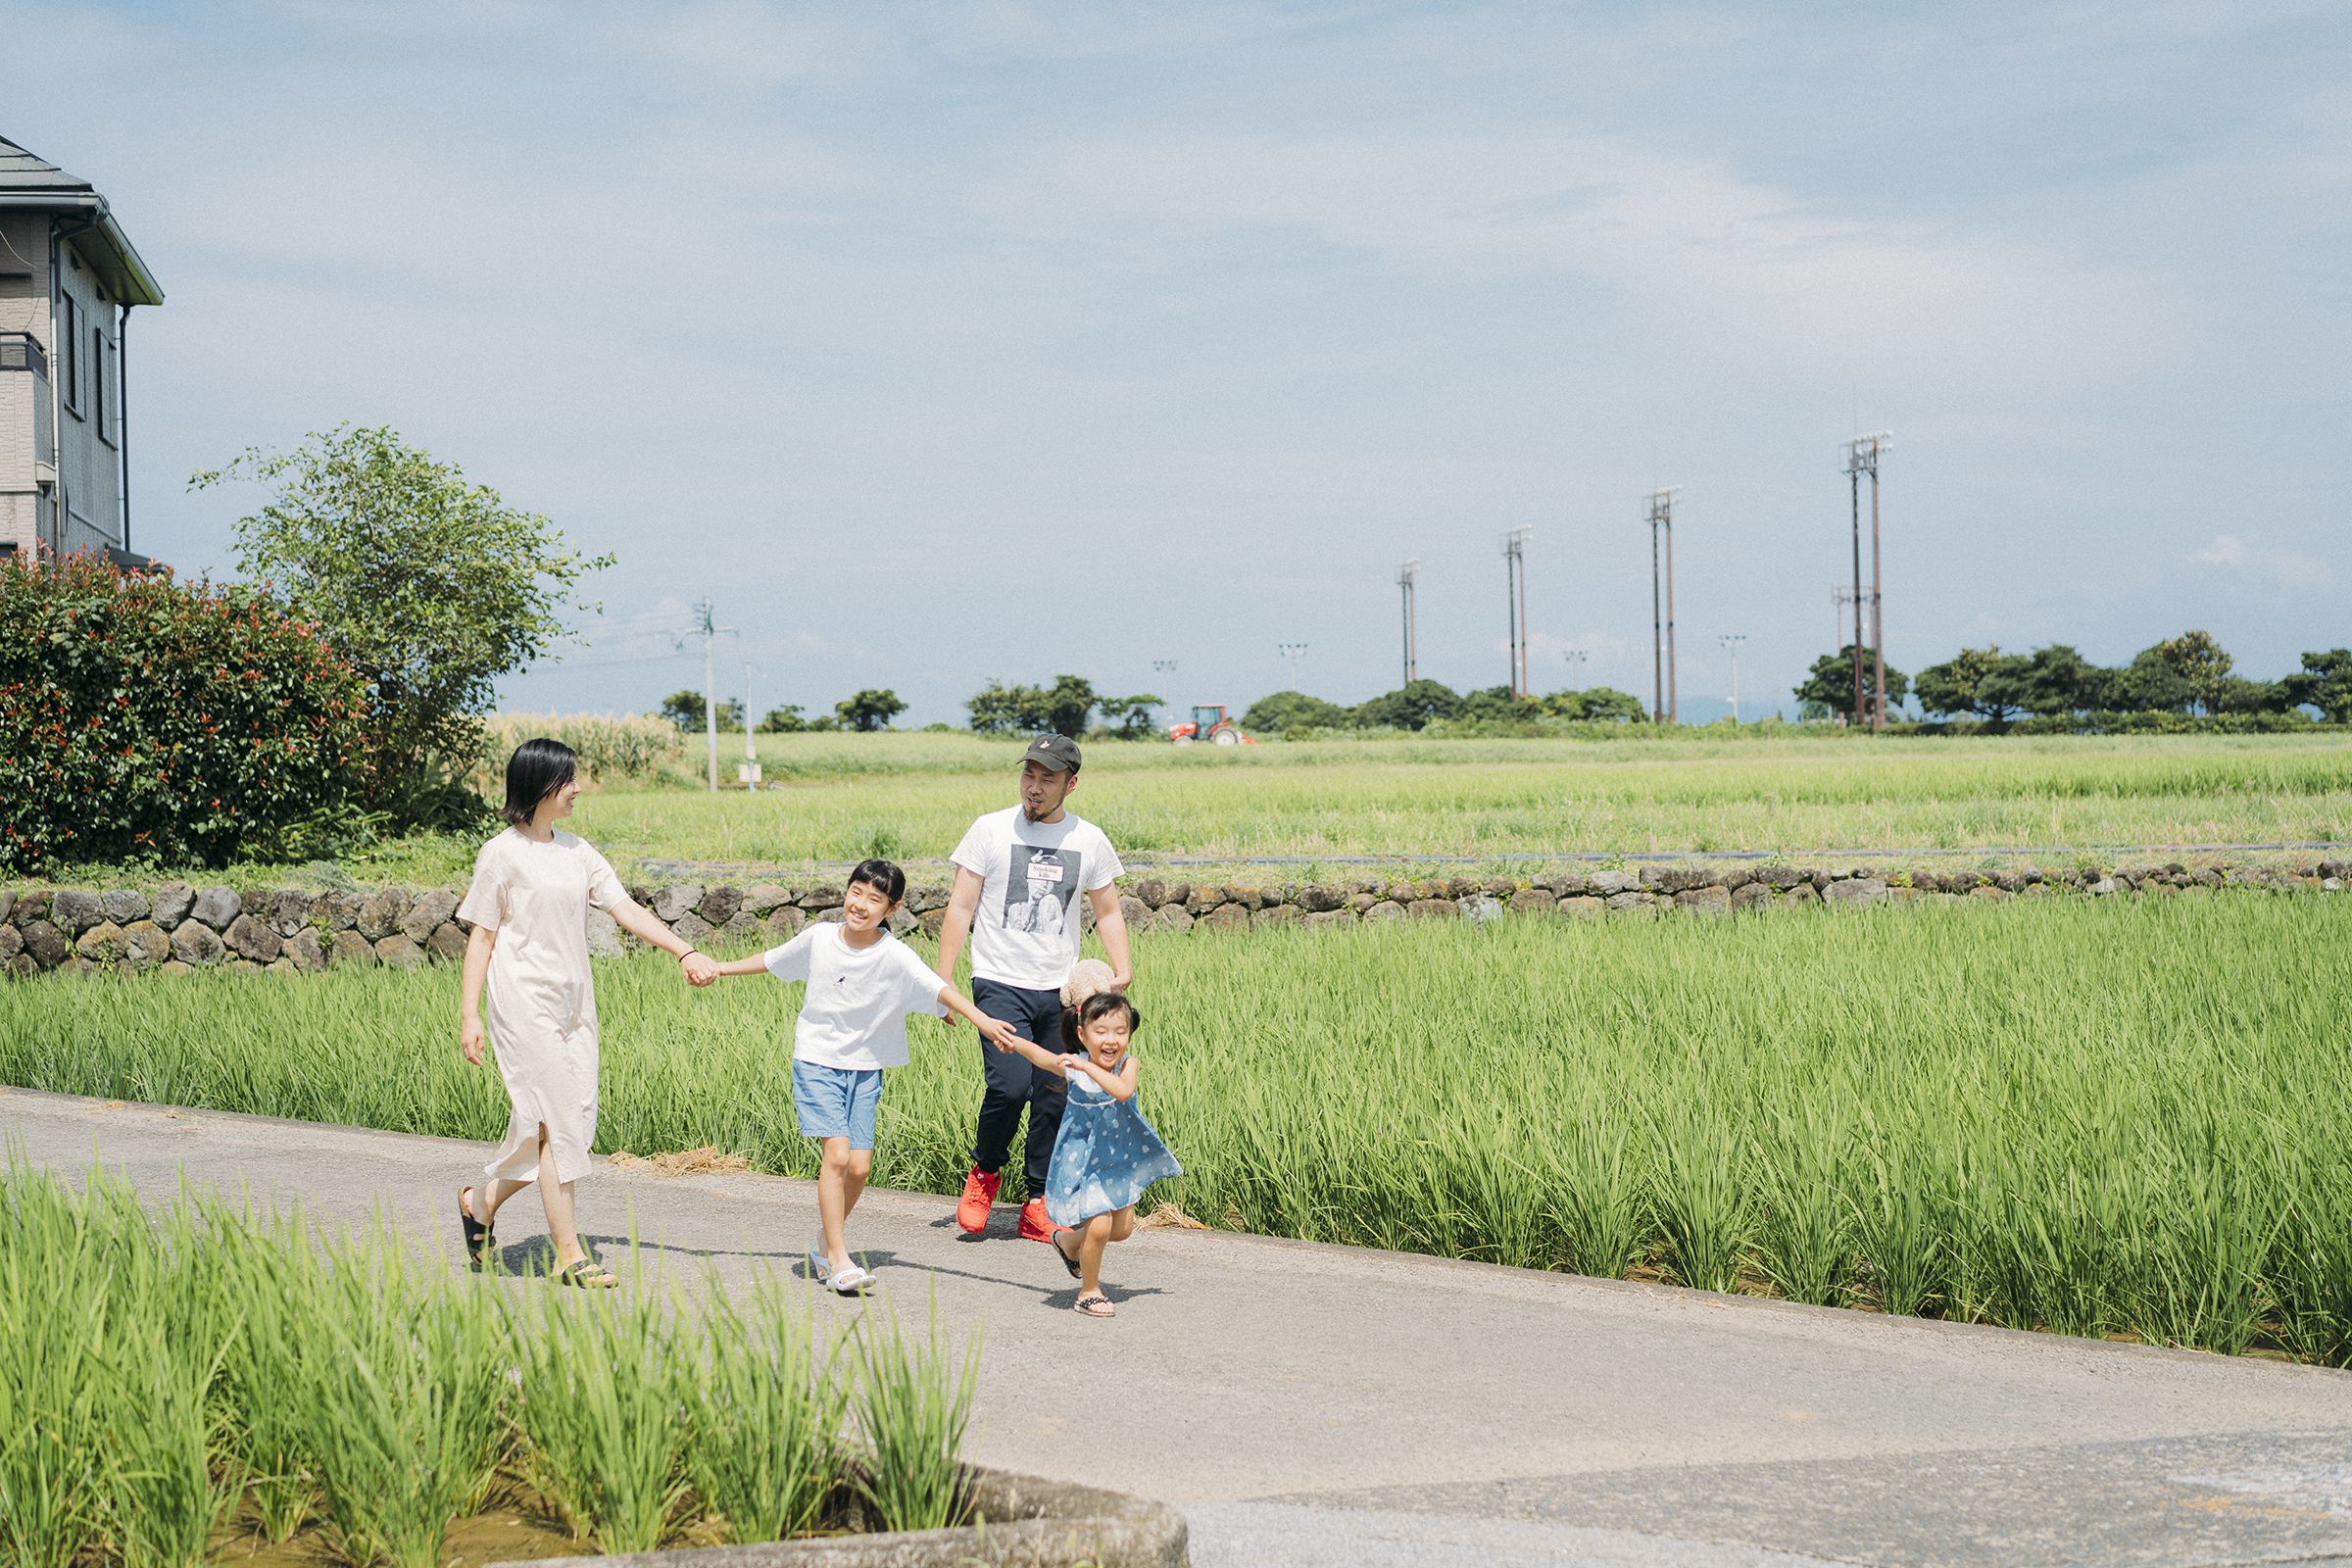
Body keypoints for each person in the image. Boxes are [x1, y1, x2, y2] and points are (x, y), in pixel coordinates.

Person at [456, 737, 719, 1287]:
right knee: (557, 1122)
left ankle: (479, 1204)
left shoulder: (578, 851)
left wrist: (684, 950)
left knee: (563, 1123)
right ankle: (569, 1253)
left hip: (575, 1004)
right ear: (539, 786)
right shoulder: (501, 854)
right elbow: (481, 938)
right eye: (568, 780)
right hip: (523, 1002)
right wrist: (470, 1016)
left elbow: (625, 909)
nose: (577, 789)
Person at [703, 858, 1017, 1294]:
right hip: (817, 1059)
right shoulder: (818, 938)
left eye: (874, 899)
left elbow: (939, 989)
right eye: (856, 892)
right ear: (846, 892)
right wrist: (719, 968)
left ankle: (822, 1243)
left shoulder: (894, 954)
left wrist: (982, 1021)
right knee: (836, 1156)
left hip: (866, 1068)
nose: (860, 904)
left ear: (891, 909)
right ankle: (838, 1257)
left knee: (860, 1166)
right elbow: (771, 960)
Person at [935, 733, 1133, 1243]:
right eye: (1029, 775)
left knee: (1055, 1091)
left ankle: (1039, 1199)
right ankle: (984, 1172)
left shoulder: (1088, 839)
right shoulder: (989, 829)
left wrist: (1121, 968)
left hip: (1062, 991)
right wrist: (944, 980)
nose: (1035, 787)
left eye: (1048, 778)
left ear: (1072, 782)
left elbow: (1107, 909)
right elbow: (960, 906)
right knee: (1010, 1085)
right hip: (998, 980)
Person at [994, 984, 1180, 1318]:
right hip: (1083, 1163)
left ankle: (1067, 1243)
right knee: (1099, 1225)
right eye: (1102, 1031)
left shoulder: (1126, 1065)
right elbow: (1041, 1056)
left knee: (1120, 1230)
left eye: (1120, 1031)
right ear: (1082, 1034)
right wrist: (1013, 1041)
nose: (1112, 1040)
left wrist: (1086, 1068)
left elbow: (1122, 1092)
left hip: (1118, 1159)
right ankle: (1089, 1291)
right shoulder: (1074, 1065)